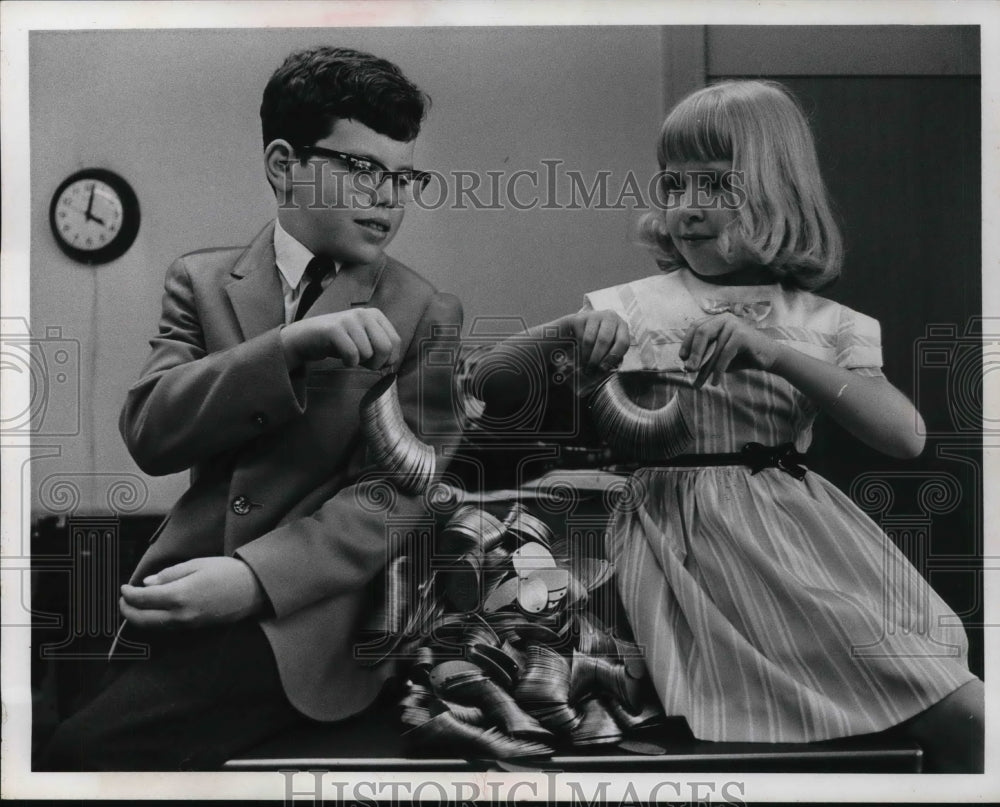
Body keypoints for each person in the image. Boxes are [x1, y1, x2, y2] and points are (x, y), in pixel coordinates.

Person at [471, 80, 983, 772]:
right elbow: (491, 382)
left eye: (714, 185)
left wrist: (777, 354)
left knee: (958, 711)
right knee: (698, 743)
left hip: (789, 547)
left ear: (777, 190)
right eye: (674, 184)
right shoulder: (633, 306)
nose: (686, 208)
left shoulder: (822, 322)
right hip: (657, 541)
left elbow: (906, 436)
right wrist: (569, 330)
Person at [38, 45, 463, 770]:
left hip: (309, 621)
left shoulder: (424, 310)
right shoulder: (200, 282)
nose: (388, 197)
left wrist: (254, 579)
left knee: (83, 752)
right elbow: (151, 431)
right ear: (281, 164)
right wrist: (287, 348)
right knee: (49, 735)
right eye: (362, 169)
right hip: (171, 591)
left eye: (403, 176)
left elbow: (397, 492)